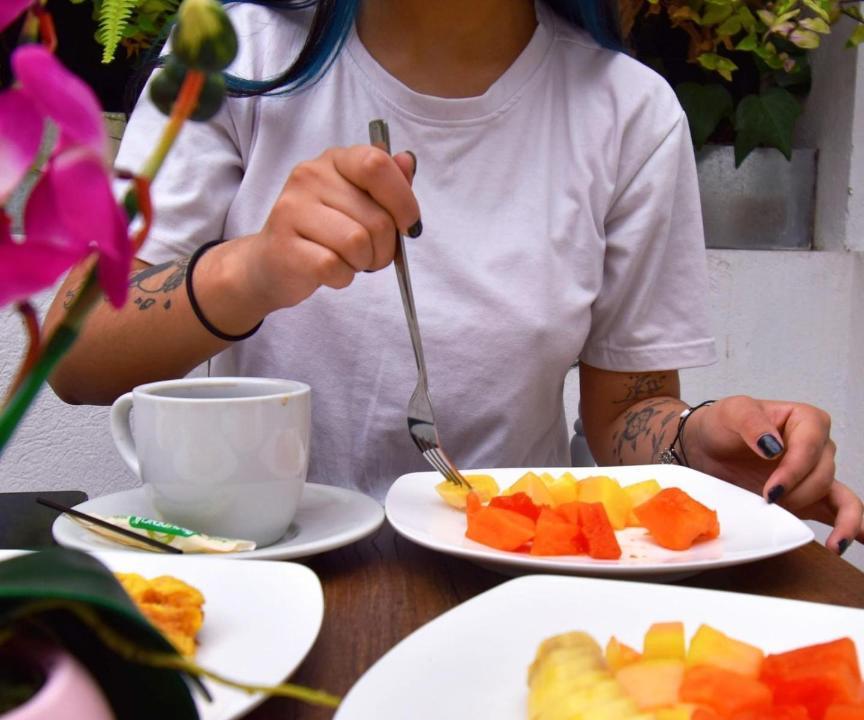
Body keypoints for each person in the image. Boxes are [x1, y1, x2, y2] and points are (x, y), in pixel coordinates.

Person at [46, 0, 863, 553]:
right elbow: (73, 352)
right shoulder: (231, 53)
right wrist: (249, 270)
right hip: (255, 579)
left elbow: (629, 416)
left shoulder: (630, 115)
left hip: (509, 588)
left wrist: (699, 443)